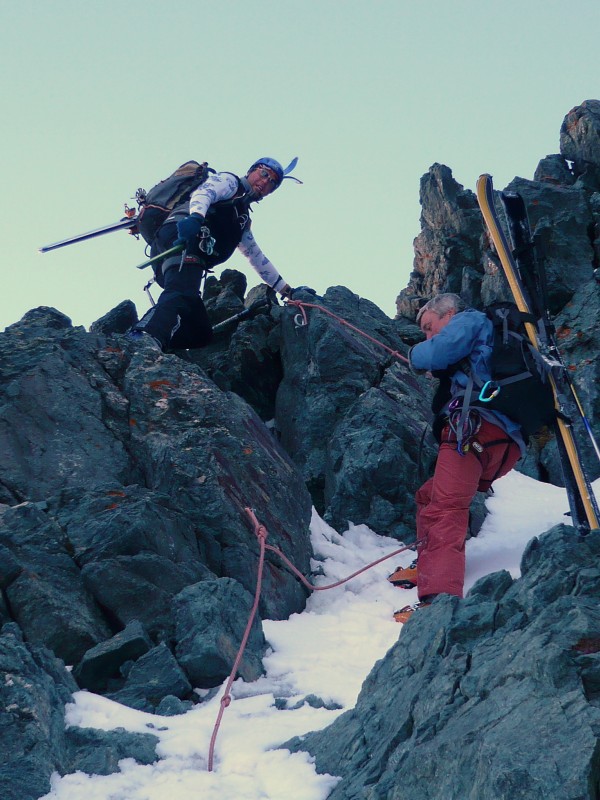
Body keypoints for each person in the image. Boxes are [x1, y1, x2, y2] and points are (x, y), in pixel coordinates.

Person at [391, 293, 525, 623]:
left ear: (448, 313)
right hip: (499, 442)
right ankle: (427, 565)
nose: (427, 335)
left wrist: (414, 353)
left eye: (429, 327)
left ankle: (438, 601)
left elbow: (439, 351)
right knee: (429, 495)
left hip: (472, 432)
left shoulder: (469, 319)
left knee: (445, 507)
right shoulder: (485, 336)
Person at [130, 157, 299, 350]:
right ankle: (144, 336)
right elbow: (205, 193)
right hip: (180, 236)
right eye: (264, 173)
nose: (265, 182)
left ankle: (157, 338)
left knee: (200, 333)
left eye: (272, 183)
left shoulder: (241, 219)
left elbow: (255, 256)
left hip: (189, 251)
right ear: (252, 170)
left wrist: (287, 291)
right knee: (180, 293)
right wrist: (195, 217)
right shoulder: (230, 183)